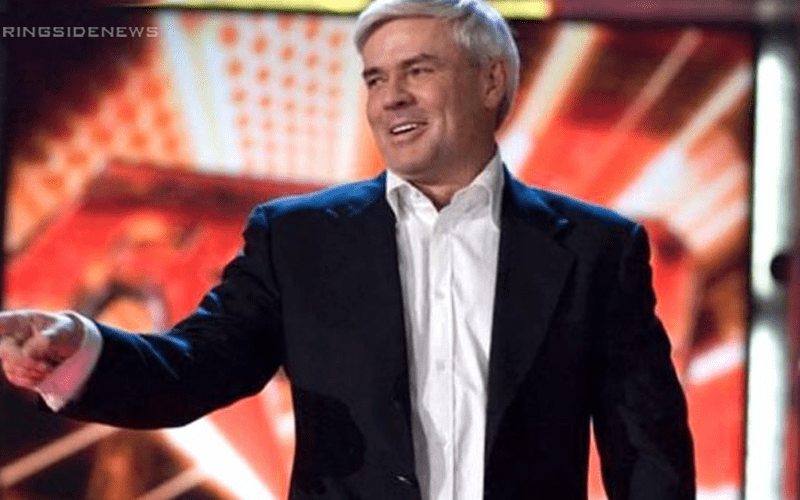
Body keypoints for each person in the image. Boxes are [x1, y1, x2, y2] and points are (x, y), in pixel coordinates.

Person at [0, 0, 695, 499]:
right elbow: (192, 370)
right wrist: (81, 349)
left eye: (417, 71)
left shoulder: (598, 250)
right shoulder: (298, 237)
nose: (391, 98)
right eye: (376, 78)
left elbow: (648, 453)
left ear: (490, 82)